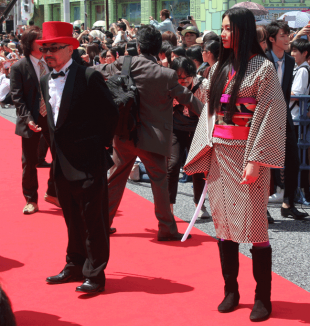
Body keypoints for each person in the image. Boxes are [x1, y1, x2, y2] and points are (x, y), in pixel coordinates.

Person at [184, 8, 287, 322]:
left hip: (248, 154)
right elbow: (210, 113)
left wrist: (256, 161)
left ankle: (263, 297)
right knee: (224, 228)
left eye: (228, 29)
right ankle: (231, 290)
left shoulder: (263, 68)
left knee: (256, 230)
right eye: (223, 29)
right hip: (220, 155)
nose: (223, 34)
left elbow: (270, 113)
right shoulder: (218, 68)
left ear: (242, 30)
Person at [38, 21, 119, 293]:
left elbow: (110, 115)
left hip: (88, 162)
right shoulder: (44, 80)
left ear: (70, 48)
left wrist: (99, 147)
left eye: (53, 48)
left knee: (93, 220)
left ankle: (95, 274)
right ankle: (74, 265)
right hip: (60, 164)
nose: (47, 53)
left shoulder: (88, 76)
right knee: (72, 219)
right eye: (44, 48)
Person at [101, 25, 203, 241]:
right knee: (160, 183)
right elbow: (188, 99)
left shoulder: (123, 63)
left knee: (116, 178)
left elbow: (99, 72)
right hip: (154, 137)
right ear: (159, 50)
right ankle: (166, 228)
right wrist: (211, 117)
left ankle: (102, 222)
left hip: (125, 133)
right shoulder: (165, 74)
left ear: (138, 46)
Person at [10, 26, 59, 214]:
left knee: (60, 156)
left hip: (52, 118)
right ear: (29, 43)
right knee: (29, 161)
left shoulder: (51, 62)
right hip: (30, 119)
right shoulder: (18, 67)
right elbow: (17, 97)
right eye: (39, 39)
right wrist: (28, 119)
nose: (43, 42)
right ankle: (31, 199)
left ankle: (53, 192)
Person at [266, 21, 308, 219]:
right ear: (272, 39)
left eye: (288, 34)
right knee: (263, 163)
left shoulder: (291, 61)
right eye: (283, 35)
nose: (288, 38)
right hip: (264, 117)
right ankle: (260, 207)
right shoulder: (263, 59)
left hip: (284, 117)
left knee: (293, 160)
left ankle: (288, 203)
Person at [168, 56, 210, 218]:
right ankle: (169, 206)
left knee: (198, 168)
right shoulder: (169, 85)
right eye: (179, 77)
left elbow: (208, 110)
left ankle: (199, 205)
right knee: (172, 165)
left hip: (197, 128)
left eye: (187, 76)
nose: (183, 80)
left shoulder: (204, 85)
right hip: (175, 128)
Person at [289, 38, 310, 202]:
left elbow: (296, 93)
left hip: (296, 117)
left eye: (296, 51)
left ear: (305, 53)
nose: (293, 53)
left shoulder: (303, 70)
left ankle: (294, 191)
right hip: (295, 116)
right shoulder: (300, 68)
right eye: (292, 50)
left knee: (295, 157)